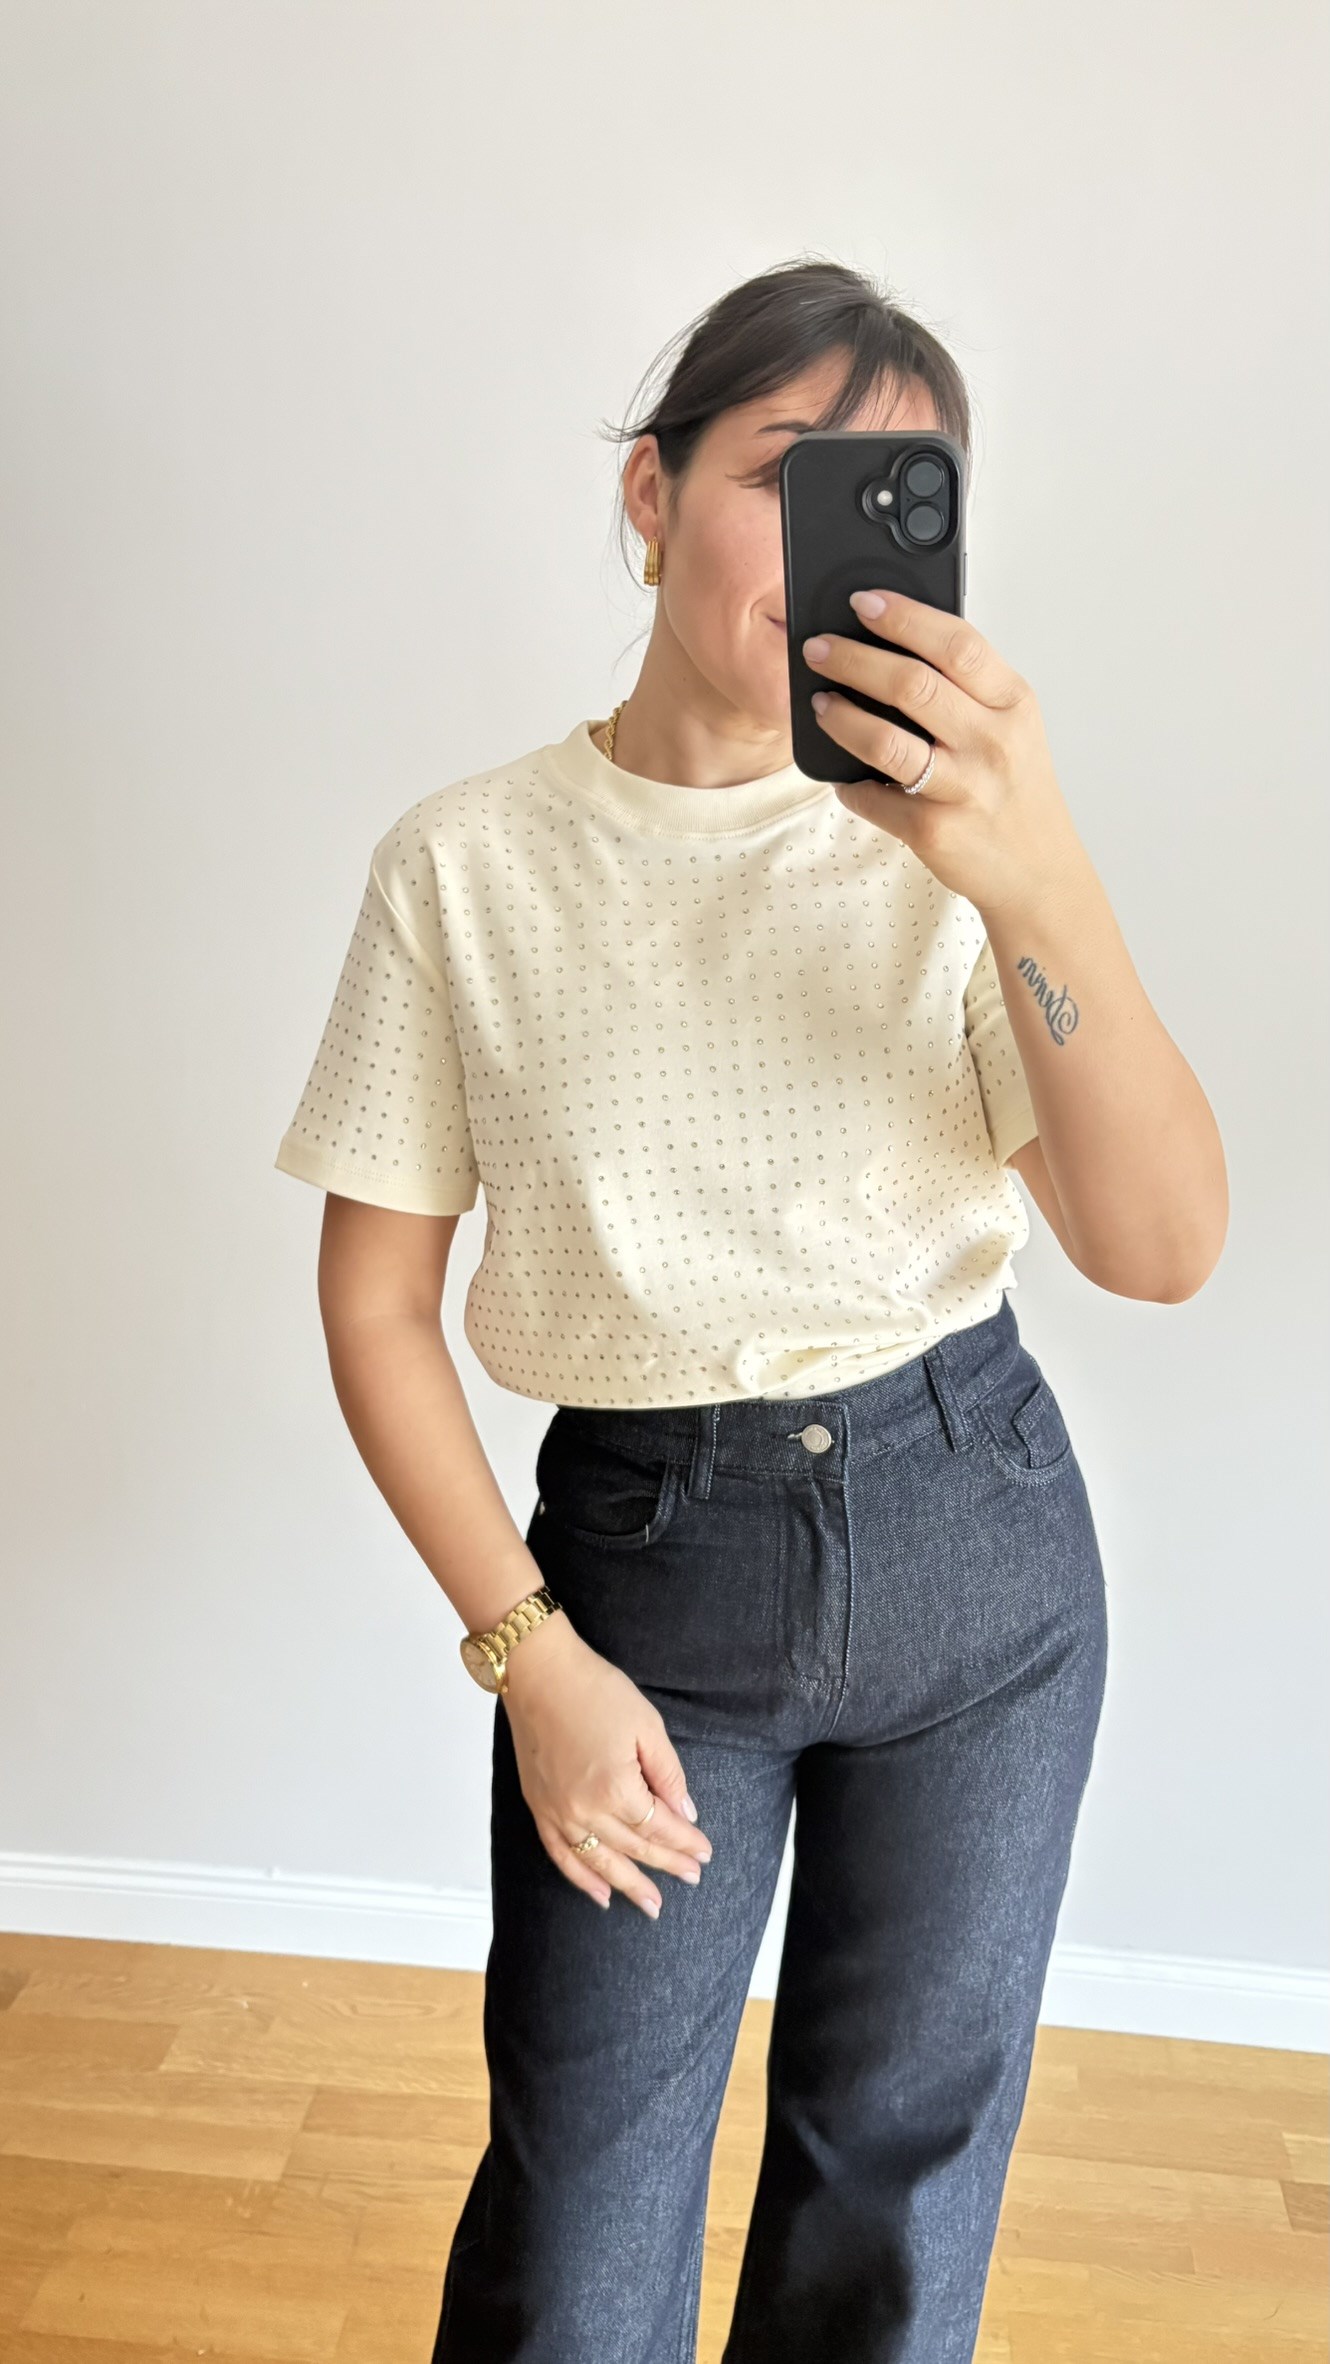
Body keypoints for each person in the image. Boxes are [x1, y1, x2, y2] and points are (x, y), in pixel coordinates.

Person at [273, 259, 1227, 2364]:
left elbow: (1158, 1245)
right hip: (645, 1577)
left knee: (896, 2190)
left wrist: (1034, 870)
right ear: (648, 493)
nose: (827, 548)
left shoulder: (959, 854)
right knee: (582, 2219)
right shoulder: (464, 866)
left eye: (894, 495)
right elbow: (373, 1306)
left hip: (978, 1549)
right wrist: (528, 1660)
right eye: (786, 475)